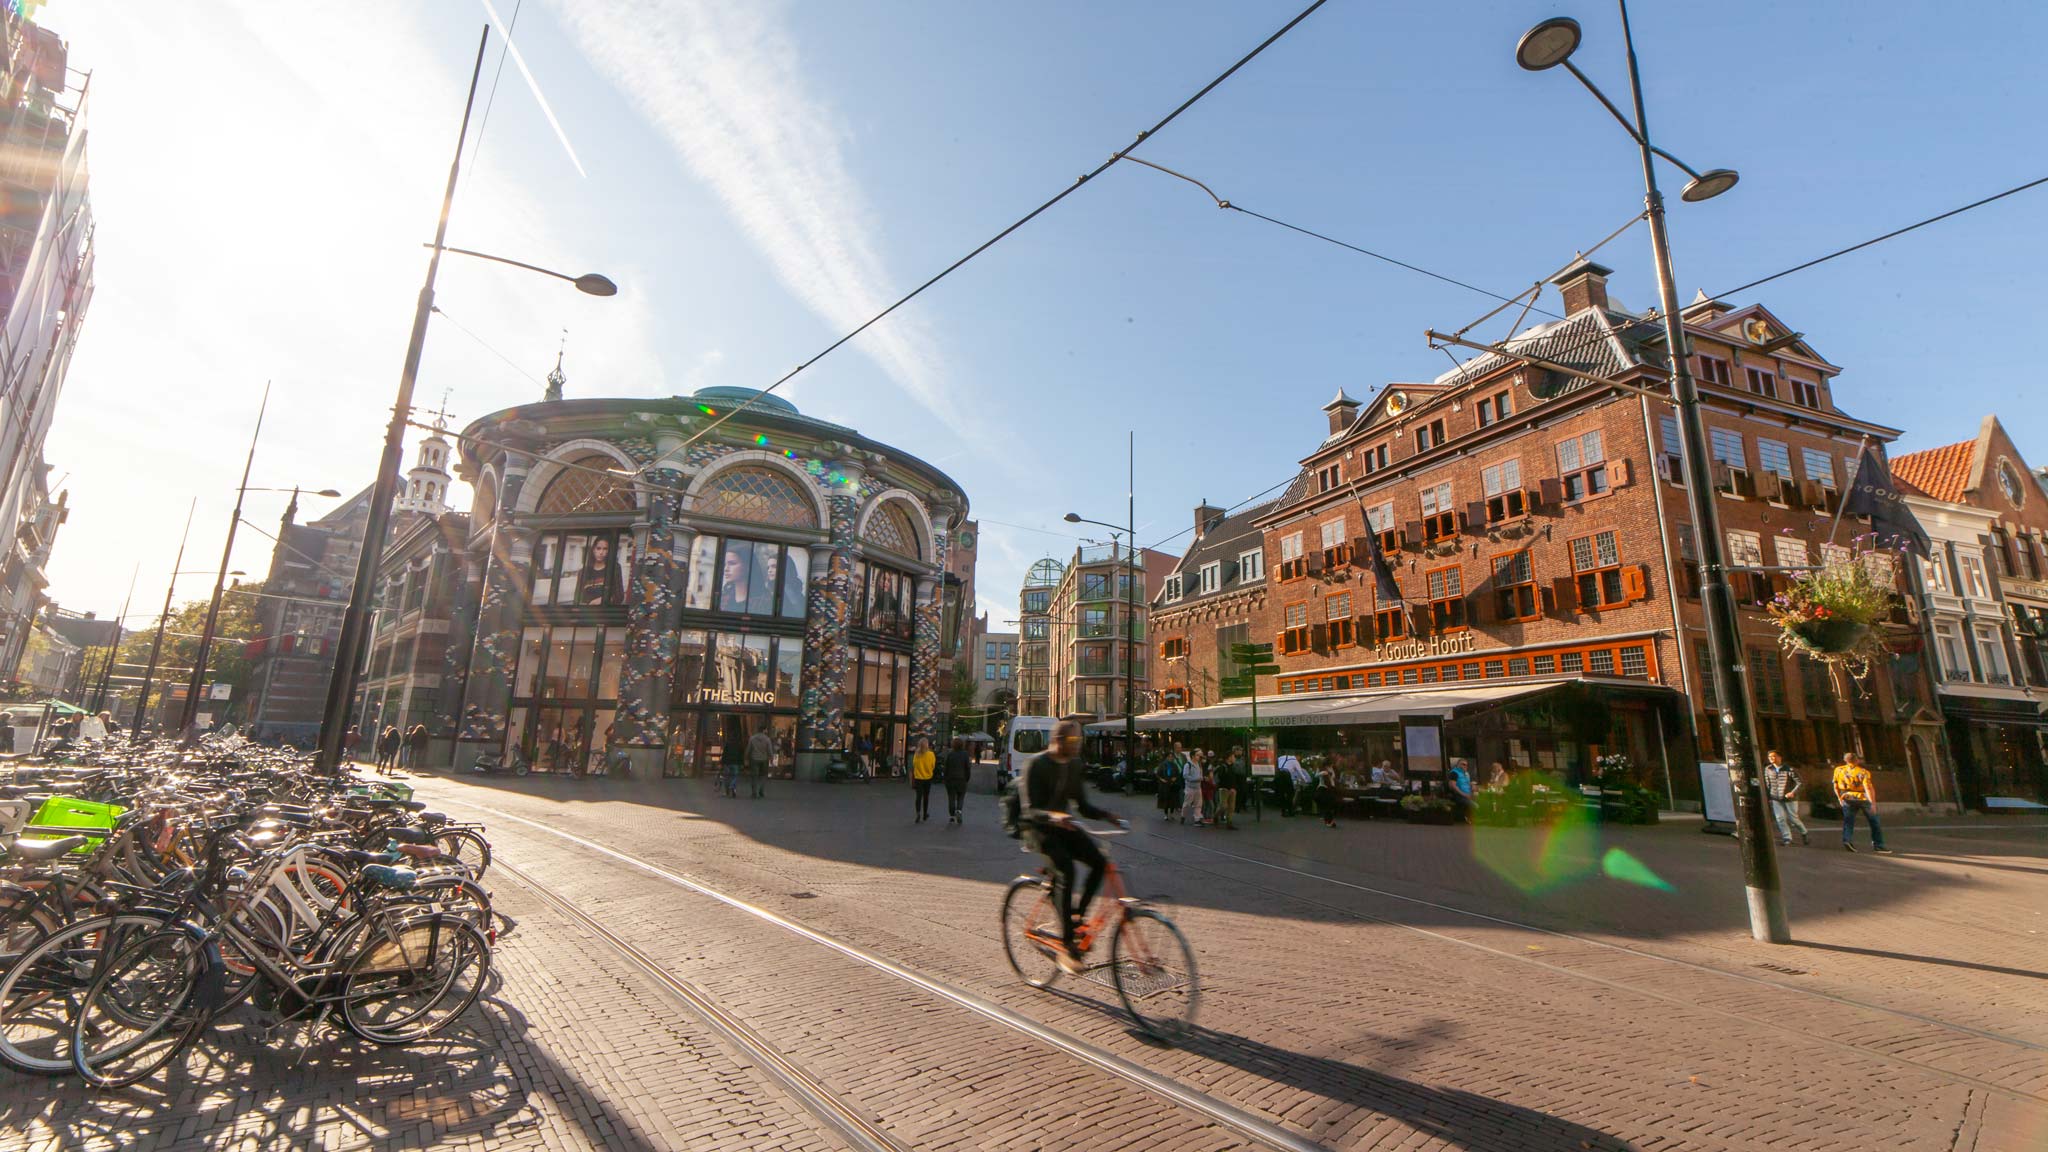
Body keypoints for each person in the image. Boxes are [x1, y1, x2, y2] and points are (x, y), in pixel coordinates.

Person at [1020, 720, 1125, 973]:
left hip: (1064, 825)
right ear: (1057, 741)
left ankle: (1076, 916)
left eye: (1079, 741)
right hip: (1039, 829)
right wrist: (1053, 817)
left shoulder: (1075, 764)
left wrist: (1107, 815)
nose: (1077, 746)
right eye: (1072, 742)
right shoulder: (1036, 765)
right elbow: (1029, 810)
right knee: (1067, 870)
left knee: (1099, 862)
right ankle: (1067, 946)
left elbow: (1082, 805)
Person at [1832, 750, 1889, 853]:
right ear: (1856, 760)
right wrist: (1873, 804)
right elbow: (1868, 788)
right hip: (1862, 797)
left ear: (1845, 761)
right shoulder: (1863, 772)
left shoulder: (1838, 770)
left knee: (1848, 821)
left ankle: (1847, 839)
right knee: (1874, 821)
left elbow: (1835, 786)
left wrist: (1839, 798)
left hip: (1847, 797)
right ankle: (1878, 845)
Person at [1764, 750, 1809, 847]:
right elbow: (1768, 784)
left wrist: (1792, 792)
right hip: (1775, 797)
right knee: (1780, 819)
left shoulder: (1789, 769)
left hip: (1789, 799)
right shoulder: (1768, 769)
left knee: (1793, 819)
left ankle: (1804, 832)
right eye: (1770, 757)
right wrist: (1769, 796)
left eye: (1774, 756)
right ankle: (1787, 838)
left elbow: (1800, 783)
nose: (1772, 758)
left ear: (1780, 757)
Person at [578, 533, 625, 606]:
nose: (601, 552)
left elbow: (619, 596)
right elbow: (577, 597)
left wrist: (603, 599)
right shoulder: (583, 572)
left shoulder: (615, 568)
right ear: (594, 550)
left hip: (605, 613)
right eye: (598, 548)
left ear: (609, 551)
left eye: (605, 549)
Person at [943, 737, 972, 823]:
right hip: (961, 779)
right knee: (961, 797)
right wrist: (967, 778)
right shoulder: (965, 754)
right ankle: (959, 810)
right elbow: (967, 768)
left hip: (951, 779)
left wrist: (945, 779)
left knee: (951, 797)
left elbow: (946, 768)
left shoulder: (950, 754)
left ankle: (952, 815)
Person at [1215, 747, 1243, 829]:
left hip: (1233, 789)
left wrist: (1234, 788)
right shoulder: (1222, 767)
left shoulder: (1234, 767)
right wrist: (1228, 787)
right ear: (1229, 757)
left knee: (1231, 807)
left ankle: (1229, 823)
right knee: (1223, 806)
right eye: (1233, 756)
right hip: (1224, 789)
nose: (1234, 758)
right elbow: (1221, 778)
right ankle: (1216, 816)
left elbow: (1236, 778)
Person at [910, 736, 936, 821]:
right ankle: (925, 814)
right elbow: (933, 766)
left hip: (918, 778)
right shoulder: (931, 754)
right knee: (926, 796)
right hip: (928, 778)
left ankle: (918, 813)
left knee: (918, 796)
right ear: (927, 745)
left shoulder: (916, 754)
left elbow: (914, 765)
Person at [745, 724, 774, 799]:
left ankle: (754, 792)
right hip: (764, 759)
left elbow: (749, 749)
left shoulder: (752, 738)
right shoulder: (767, 739)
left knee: (754, 776)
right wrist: (771, 758)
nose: (767, 731)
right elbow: (770, 750)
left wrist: (746, 757)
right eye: (766, 729)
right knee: (764, 775)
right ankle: (761, 789)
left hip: (754, 759)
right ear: (764, 730)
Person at [1156, 746, 1183, 820]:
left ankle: (1171, 814)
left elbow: (1178, 773)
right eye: (1169, 757)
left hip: (1172, 784)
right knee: (1165, 800)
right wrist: (1162, 779)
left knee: (1172, 800)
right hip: (1164, 784)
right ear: (1166, 757)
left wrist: (1175, 778)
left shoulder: (1174, 765)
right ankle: (1166, 814)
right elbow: (1158, 774)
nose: (1171, 758)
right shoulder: (1162, 765)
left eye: (1172, 757)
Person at [1179, 748, 1205, 825]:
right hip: (1190, 788)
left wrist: (1201, 778)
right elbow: (1185, 775)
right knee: (1187, 803)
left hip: (1198, 787)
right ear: (1193, 756)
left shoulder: (1199, 764)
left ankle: (1197, 819)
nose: (1199, 757)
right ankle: (1183, 816)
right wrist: (1195, 779)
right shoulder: (1188, 765)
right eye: (1197, 755)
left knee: (1198, 804)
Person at [1447, 758, 1476, 822]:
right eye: (1463, 764)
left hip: (1468, 794)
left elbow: (1467, 782)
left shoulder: (1466, 773)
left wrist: (1472, 785)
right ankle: (1470, 819)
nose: (1465, 766)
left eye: (1466, 765)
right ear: (1458, 764)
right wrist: (1464, 794)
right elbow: (1452, 786)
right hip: (1459, 795)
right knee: (1474, 806)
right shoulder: (1454, 773)